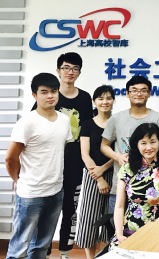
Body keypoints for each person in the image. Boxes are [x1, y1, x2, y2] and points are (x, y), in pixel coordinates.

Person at [31, 52, 93, 259]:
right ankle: (44, 253)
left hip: (75, 164)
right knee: (47, 211)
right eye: (66, 67)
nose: (70, 72)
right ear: (58, 70)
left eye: (75, 68)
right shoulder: (48, 96)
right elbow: (34, 126)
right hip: (49, 164)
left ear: (79, 72)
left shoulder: (85, 98)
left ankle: (65, 252)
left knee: (70, 210)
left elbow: (87, 131)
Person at [5, 73, 72, 259]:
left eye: (53, 91)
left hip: (55, 191)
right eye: (44, 92)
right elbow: (10, 159)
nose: (50, 96)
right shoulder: (27, 122)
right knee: (19, 246)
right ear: (34, 95)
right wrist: (18, 180)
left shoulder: (64, 120)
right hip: (30, 193)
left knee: (42, 245)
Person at [101, 76, 159, 213]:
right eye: (134, 90)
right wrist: (118, 157)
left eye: (143, 90)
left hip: (150, 189)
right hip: (120, 185)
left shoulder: (158, 118)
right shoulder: (116, 118)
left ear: (149, 94)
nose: (139, 93)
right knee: (116, 224)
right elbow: (104, 146)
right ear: (127, 93)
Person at [110, 123, 159, 247]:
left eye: (153, 142)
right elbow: (119, 206)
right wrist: (119, 234)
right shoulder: (127, 169)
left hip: (157, 229)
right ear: (137, 145)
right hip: (128, 230)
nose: (148, 147)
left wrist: (150, 230)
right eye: (143, 143)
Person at [75, 85, 115, 259]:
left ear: (113, 101)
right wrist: (98, 177)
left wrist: (103, 170)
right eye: (100, 98)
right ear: (94, 102)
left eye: (108, 98)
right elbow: (85, 154)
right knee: (89, 218)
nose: (105, 102)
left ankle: (107, 255)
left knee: (111, 218)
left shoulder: (118, 122)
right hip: (92, 176)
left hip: (114, 173)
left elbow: (120, 153)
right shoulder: (87, 124)